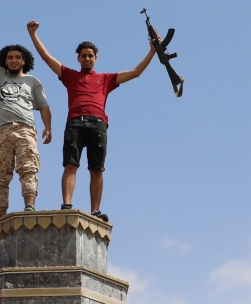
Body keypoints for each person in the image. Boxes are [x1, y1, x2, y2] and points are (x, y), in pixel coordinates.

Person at [27, 20, 158, 222]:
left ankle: (95, 210)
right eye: (83, 56)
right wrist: (33, 33)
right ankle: (67, 205)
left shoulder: (106, 79)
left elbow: (135, 73)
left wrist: (153, 51)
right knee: (71, 165)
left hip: (98, 124)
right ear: (78, 59)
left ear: (96, 58)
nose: (87, 58)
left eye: (90, 55)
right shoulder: (70, 75)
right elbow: (46, 57)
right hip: (75, 123)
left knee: (96, 169)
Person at [0, 5, 52, 217]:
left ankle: (29, 205)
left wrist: (48, 127)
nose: (13, 60)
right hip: (0, 131)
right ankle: (0, 215)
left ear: (23, 60)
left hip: (25, 129)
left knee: (28, 167)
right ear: (5, 60)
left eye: (17, 57)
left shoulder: (32, 81)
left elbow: (44, 106)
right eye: (10, 57)